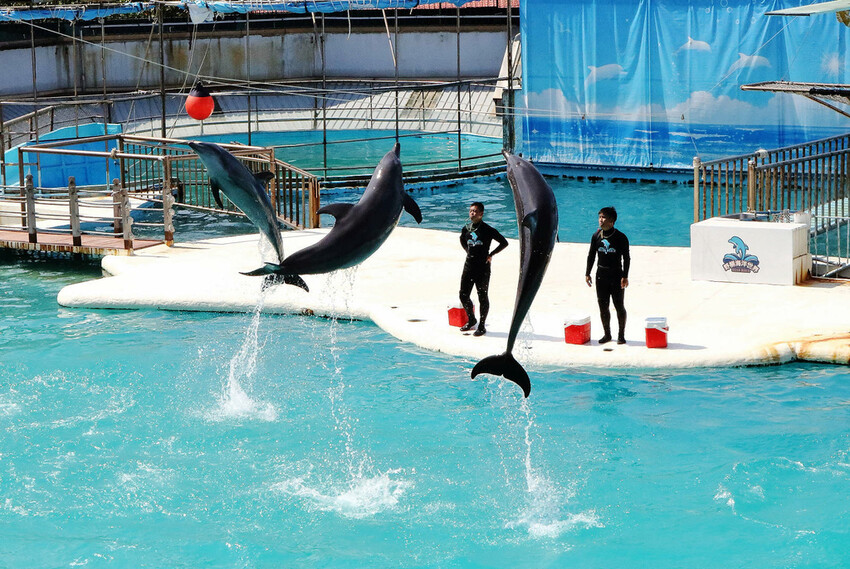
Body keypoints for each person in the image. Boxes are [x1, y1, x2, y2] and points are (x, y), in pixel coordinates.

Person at [459, 201, 508, 336]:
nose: (472, 213)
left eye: (475, 211)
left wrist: (491, 254)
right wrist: (468, 251)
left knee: (482, 296)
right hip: (468, 266)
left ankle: (481, 325)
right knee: (463, 295)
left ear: (481, 214)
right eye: (470, 211)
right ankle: (471, 319)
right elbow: (462, 240)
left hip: (483, 268)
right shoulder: (466, 228)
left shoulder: (487, 229)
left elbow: (504, 243)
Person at [585, 206, 630, 344]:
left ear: (612, 221)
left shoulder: (620, 237)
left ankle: (621, 335)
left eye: (603, 217)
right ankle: (607, 334)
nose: (600, 220)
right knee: (603, 306)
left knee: (619, 306)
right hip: (601, 275)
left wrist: (625, 276)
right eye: (599, 217)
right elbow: (591, 255)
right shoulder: (596, 236)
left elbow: (626, 258)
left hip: (616, 275)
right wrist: (587, 273)